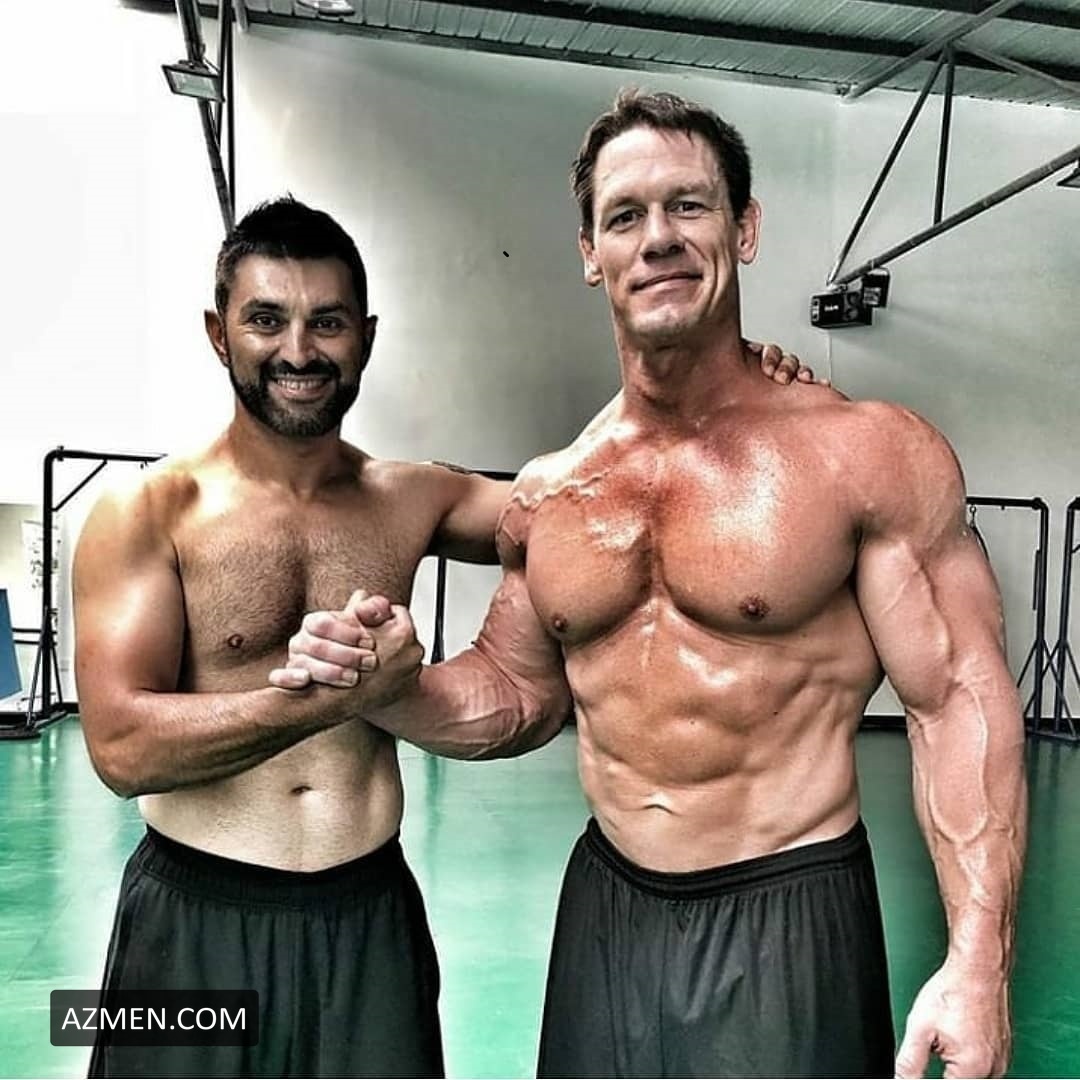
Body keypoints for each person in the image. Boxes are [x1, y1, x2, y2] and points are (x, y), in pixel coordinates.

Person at [278, 90, 1027, 1080]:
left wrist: (979, 964)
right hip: (607, 911)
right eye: (625, 215)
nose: (659, 237)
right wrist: (392, 690)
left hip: (786, 907)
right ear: (591, 252)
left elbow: (958, 701)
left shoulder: (865, 454)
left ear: (744, 229)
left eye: (689, 205)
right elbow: (517, 697)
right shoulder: (553, 493)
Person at [71, 194, 811, 1078]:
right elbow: (121, 748)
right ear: (218, 334)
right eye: (266, 320)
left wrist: (727, 390)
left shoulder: (412, 497)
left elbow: (583, 499)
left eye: (327, 322)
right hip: (192, 926)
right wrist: (323, 702)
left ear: (365, 339)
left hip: (367, 921)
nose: (299, 350)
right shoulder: (147, 512)